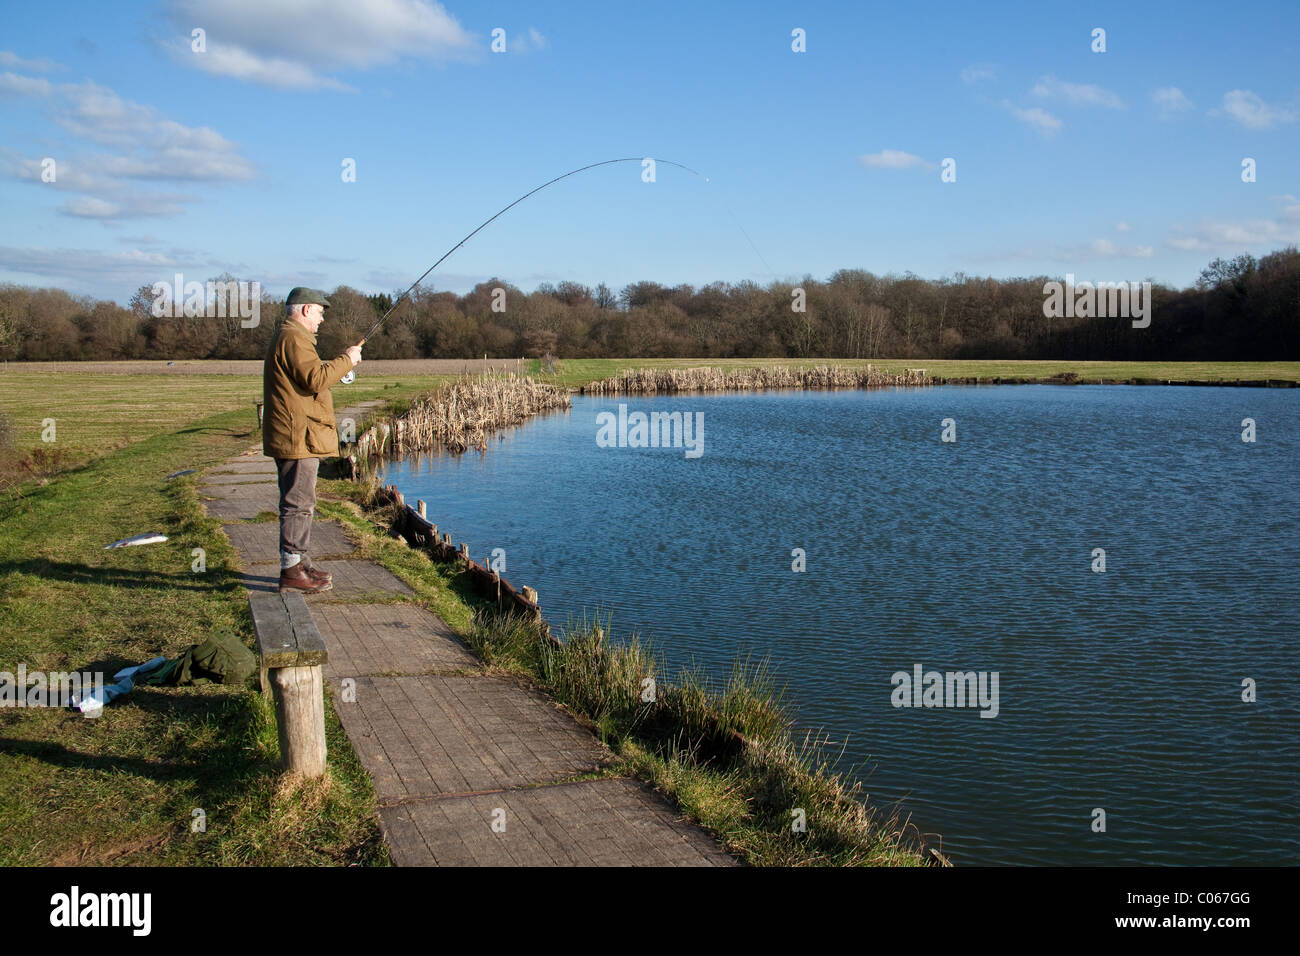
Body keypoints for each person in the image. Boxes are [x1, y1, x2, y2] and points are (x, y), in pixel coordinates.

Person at [262, 287, 362, 593]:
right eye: (320, 313)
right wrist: (347, 359)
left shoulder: (292, 338)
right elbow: (316, 379)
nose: (321, 320)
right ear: (305, 310)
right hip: (297, 436)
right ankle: (292, 570)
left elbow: (312, 377)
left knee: (302, 501)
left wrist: (342, 365)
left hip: (298, 434)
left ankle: (300, 564)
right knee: (297, 503)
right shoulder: (294, 338)